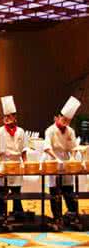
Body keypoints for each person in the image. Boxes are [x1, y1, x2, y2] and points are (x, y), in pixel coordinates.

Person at [44, 96, 81, 224]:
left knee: (69, 189)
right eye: (64, 119)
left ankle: (73, 215)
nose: (66, 123)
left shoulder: (70, 131)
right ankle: (57, 217)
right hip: (53, 161)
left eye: (69, 121)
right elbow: (47, 147)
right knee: (55, 190)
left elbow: (74, 147)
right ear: (58, 118)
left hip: (66, 160)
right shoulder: (50, 130)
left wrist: (72, 157)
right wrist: (56, 158)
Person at [0, 96, 28, 224]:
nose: (6, 118)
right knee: (1, 191)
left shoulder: (21, 132)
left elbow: (24, 150)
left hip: (17, 163)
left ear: (15, 117)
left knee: (16, 191)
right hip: (3, 162)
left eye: (9, 116)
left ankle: (18, 212)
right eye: (5, 116)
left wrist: (26, 164)